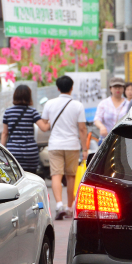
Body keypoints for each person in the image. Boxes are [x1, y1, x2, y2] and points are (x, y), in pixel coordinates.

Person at [40, 76, 88, 220]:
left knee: (56, 175)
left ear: (58, 88)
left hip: (55, 145)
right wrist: (85, 149)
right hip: (72, 145)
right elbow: (82, 129)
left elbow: (44, 124)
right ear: (71, 88)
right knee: (71, 176)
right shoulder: (78, 105)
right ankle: (69, 207)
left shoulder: (49, 103)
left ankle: (59, 204)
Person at [1, 85, 50, 173]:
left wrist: (1, 151)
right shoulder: (32, 112)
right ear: (29, 97)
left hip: (13, 153)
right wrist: (51, 120)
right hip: (30, 154)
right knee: (30, 181)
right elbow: (44, 128)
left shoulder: (8, 112)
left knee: (14, 180)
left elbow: (5, 133)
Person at [94, 77, 130, 142]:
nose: (117, 89)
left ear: (123, 88)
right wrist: (101, 127)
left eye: (120, 86)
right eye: (115, 87)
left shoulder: (128, 104)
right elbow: (97, 119)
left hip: (123, 138)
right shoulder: (104, 103)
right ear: (110, 88)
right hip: (106, 138)